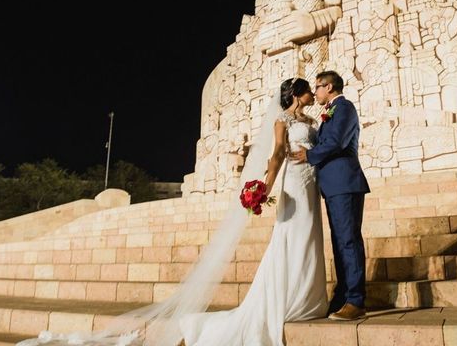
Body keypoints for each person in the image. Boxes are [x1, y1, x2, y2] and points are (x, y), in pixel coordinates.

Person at [17, 77, 327, 346]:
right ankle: (289, 299)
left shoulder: (312, 122)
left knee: (309, 235)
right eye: (308, 91)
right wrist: (264, 188)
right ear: (298, 94)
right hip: (292, 184)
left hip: (310, 182)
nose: (313, 94)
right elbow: (276, 156)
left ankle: (307, 295)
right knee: (292, 236)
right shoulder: (280, 121)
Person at [291, 71, 370, 321]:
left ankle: (356, 300)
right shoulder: (330, 111)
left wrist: (309, 156)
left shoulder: (344, 107)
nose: (315, 92)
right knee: (339, 243)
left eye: (318, 87)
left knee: (348, 241)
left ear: (330, 86)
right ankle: (342, 295)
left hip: (345, 183)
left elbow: (336, 141)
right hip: (334, 186)